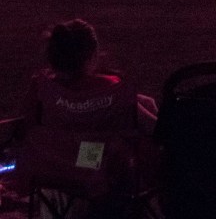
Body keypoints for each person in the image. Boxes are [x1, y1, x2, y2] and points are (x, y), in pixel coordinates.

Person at [20, 20, 158, 217]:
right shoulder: (111, 92)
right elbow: (156, 128)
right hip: (96, 173)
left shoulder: (42, 91)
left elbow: (28, 128)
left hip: (53, 171)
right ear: (93, 54)